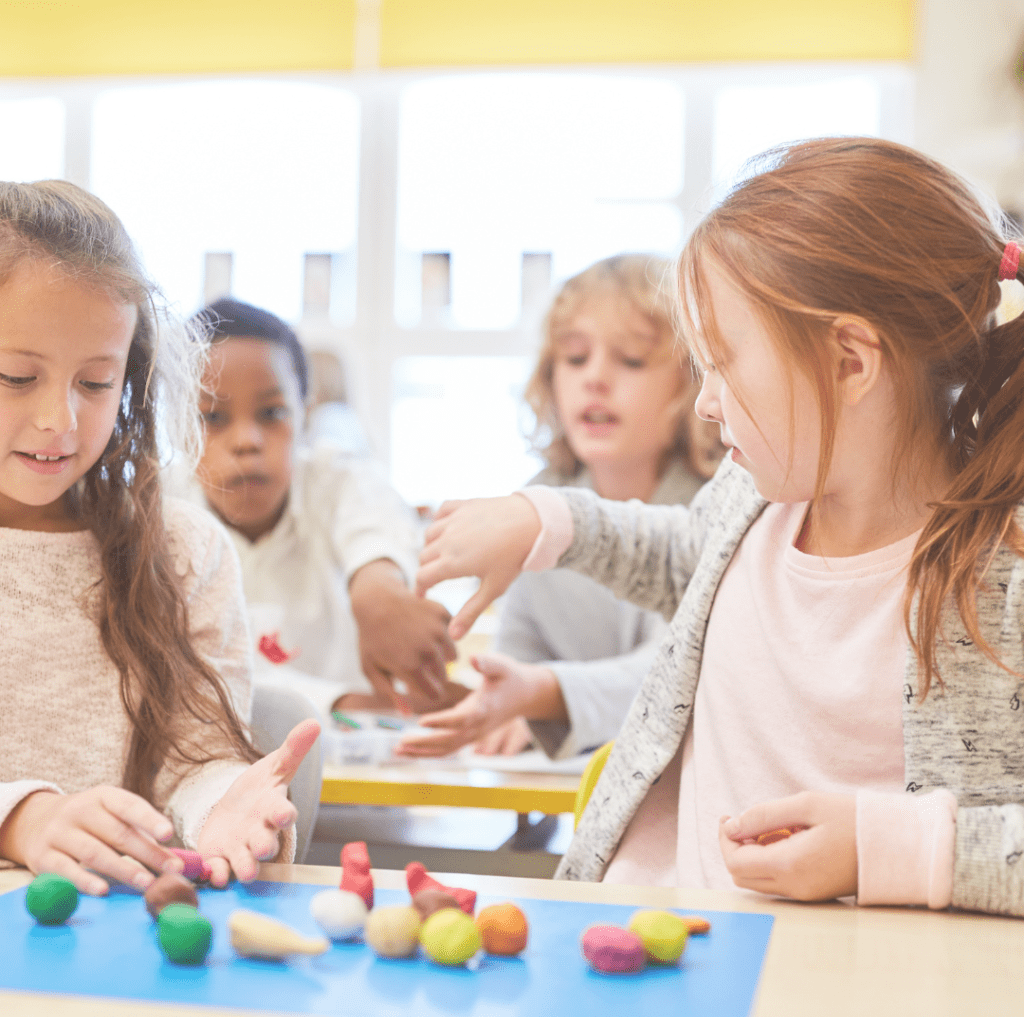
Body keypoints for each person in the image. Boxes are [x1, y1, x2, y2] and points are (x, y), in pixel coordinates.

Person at [414, 137, 1024, 917]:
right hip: (644, 933)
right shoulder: (754, 495)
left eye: (723, 364)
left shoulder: (1002, 565)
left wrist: (888, 849)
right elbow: (681, 560)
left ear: (850, 361)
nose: (705, 403)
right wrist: (546, 517)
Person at [0, 180, 319, 896]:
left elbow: (194, 763)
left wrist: (224, 802)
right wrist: (21, 819)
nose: (61, 418)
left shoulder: (183, 551)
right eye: (16, 376)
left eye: (96, 382)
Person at [396, 254, 724, 759]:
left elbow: (677, 670)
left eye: (632, 360)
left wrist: (542, 695)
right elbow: (520, 646)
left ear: (692, 381)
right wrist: (497, 697)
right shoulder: (539, 501)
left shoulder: (713, 507)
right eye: (574, 358)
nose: (595, 378)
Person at [188, 298, 462, 718]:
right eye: (213, 416)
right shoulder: (159, 515)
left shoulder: (336, 480)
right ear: (176, 421)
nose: (247, 440)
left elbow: (375, 520)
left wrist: (379, 592)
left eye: (271, 413)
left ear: (305, 411)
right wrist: (347, 705)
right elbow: (199, 677)